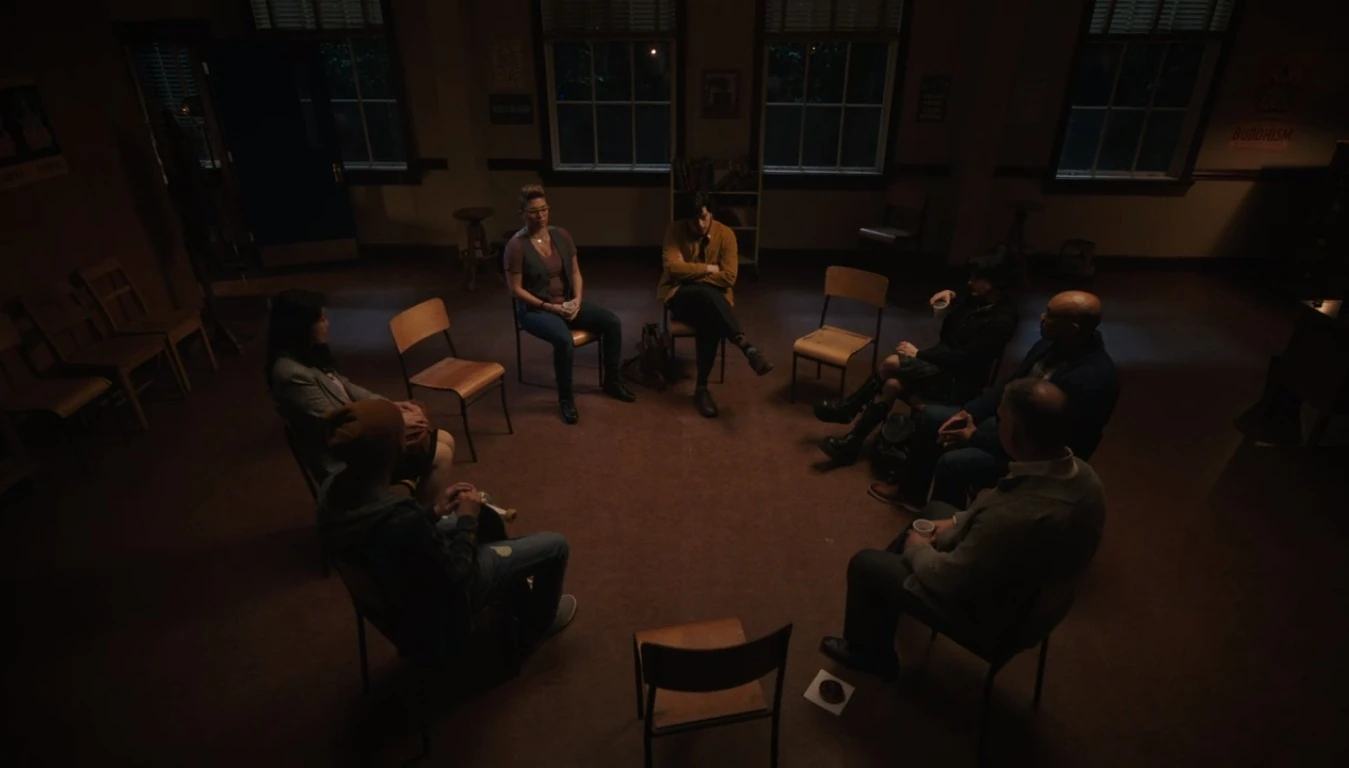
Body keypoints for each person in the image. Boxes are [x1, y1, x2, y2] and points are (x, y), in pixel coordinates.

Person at [820, 379, 1106, 680]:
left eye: (1000, 420)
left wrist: (918, 549)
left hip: (995, 619)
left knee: (866, 565)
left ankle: (869, 654)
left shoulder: (1015, 517)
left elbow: (949, 579)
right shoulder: (1083, 477)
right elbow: (1003, 508)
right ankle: (887, 598)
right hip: (1036, 596)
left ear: (1016, 434)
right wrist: (957, 521)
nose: (995, 426)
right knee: (935, 511)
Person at [318, 399, 575, 665]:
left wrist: (435, 511)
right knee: (556, 545)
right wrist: (467, 520)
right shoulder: (402, 519)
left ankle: (512, 587)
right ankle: (538, 624)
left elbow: (399, 536)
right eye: (402, 437)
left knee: (484, 506)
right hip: (441, 603)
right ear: (392, 452)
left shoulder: (332, 490)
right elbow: (457, 576)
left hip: (394, 595)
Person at [872, 290, 1119, 509]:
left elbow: (1053, 444)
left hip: (1035, 456)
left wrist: (974, 437)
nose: (1042, 317)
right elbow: (1009, 385)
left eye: (1051, 315)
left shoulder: (1093, 381)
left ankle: (953, 528)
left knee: (952, 463)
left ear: (1073, 329)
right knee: (930, 417)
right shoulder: (1049, 344)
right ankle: (911, 494)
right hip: (1005, 426)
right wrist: (969, 413)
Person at [815, 253, 1018, 465]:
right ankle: (852, 442)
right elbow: (951, 330)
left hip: (958, 380)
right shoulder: (977, 300)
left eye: (976, 278)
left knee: (891, 363)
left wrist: (919, 354)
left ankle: (850, 408)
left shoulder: (1002, 321)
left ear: (995, 282)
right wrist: (952, 297)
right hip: (942, 366)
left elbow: (963, 357)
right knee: (892, 385)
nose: (970, 281)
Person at [267, 289, 455, 504]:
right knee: (441, 455)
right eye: (321, 319)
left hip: (359, 440)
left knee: (445, 439)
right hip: (346, 459)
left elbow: (347, 387)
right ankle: (419, 519)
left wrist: (392, 406)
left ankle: (418, 514)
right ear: (301, 327)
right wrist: (396, 419)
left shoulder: (309, 354)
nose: (328, 324)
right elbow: (336, 419)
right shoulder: (290, 374)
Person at [505, 184, 635, 425]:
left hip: (565, 303)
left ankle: (612, 381)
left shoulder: (561, 235)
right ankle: (565, 399)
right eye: (534, 211)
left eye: (544, 209)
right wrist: (548, 307)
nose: (540, 216)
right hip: (536, 310)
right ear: (522, 213)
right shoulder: (516, 246)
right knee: (564, 340)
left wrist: (577, 300)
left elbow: (575, 272)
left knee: (612, 323)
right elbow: (515, 290)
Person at [658, 191, 774, 418]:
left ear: (710, 212)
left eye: (703, 217)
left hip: (712, 301)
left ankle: (702, 389)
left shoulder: (726, 234)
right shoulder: (674, 231)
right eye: (693, 220)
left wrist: (690, 274)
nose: (700, 224)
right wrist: (709, 269)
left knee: (708, 318)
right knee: (705, 296)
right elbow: (672, 269)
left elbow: (729, 277)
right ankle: (744, 346)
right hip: (680, 295)